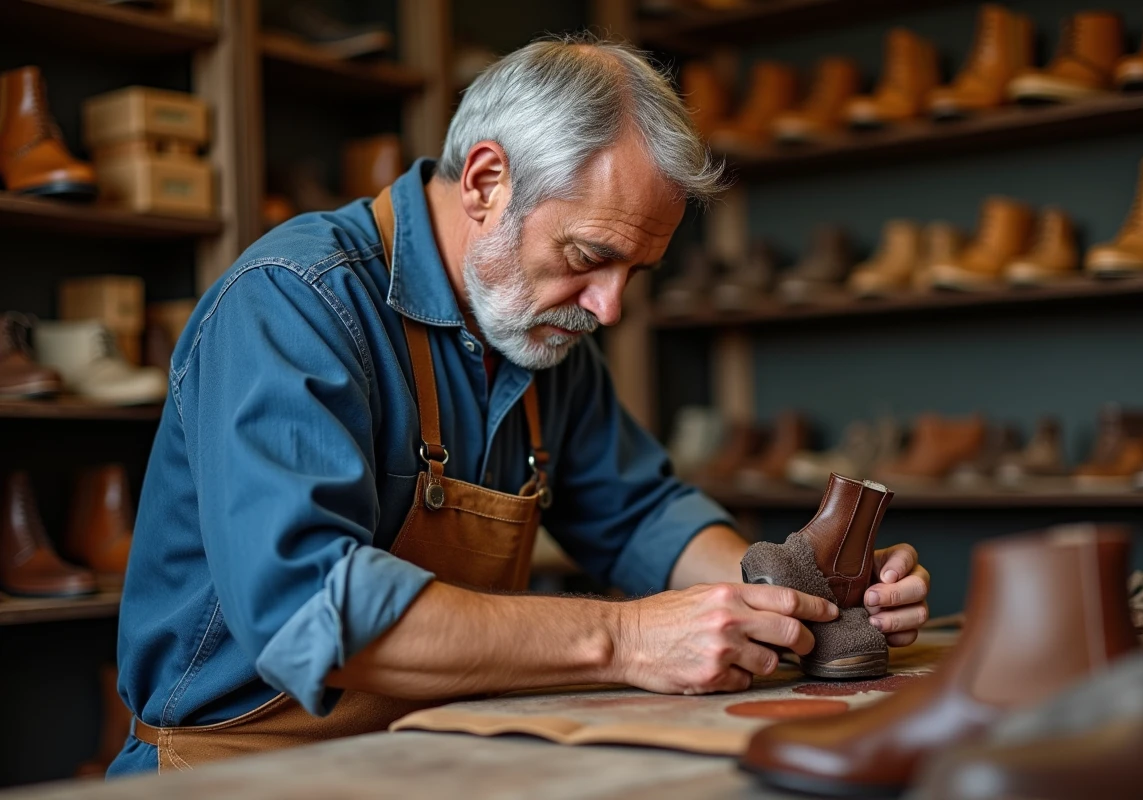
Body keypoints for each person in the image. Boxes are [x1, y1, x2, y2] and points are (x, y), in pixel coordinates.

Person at [111, 35, 930, 776]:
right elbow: (306, 610)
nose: (608, 308)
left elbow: (641, 516)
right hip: (241, 772)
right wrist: (626, 638)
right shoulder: (293, 302)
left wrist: (796, 594)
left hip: (429, 752)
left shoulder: (540, 332)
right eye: (588, 256)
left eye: (634, 274)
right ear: (486, 182)